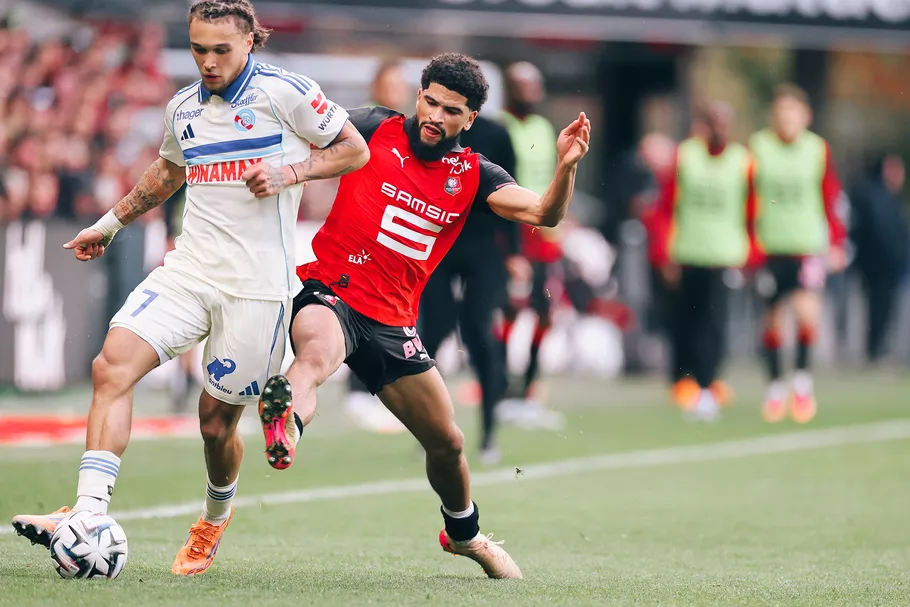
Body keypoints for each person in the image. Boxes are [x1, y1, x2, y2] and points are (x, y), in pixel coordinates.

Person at [11, 0, 370, 576]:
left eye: (220, 50)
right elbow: (168, 170)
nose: (207, 61)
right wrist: (109, 225)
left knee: (215, 423)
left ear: (251, 42)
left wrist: (289, 173)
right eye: (198, 48)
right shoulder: (184, 106)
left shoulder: (288, 93)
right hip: (190, 270)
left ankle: (212, 518)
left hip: (257, 289)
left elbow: (356, 149)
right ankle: (85, 513)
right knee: (112, 366)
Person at [255, 53, 591, 578]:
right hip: (332, 290)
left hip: (393, 323)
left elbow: (546, 214)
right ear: (419, 95)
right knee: (316, 355)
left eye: (451, 111)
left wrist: (567, 166)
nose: (435, 116)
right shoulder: (371, 126)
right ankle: (287, 423)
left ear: (470, 119)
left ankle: (465, 534)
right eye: (429, 101)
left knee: (449, 441)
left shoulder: (476, 175)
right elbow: (303, 138)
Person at [419, 112, 526, 465]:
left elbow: (513, 189)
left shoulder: (496, 134)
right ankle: (428, 429)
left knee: (481, 335)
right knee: (431, 334)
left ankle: (488, 431)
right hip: (439, 246)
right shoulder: (430, 130)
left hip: (483, 250)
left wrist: (514, 253)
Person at [653, 102, 759, 420]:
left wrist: (751, 256)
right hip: (688, 253)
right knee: (686, 324)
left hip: (725, 256)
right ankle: (684, 384)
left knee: (714, 327)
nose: (720, 130)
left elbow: (753, 212)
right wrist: (664, 253)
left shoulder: (743, 161)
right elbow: (666, 206)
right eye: (714, 124)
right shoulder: (686, 156)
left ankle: (708, 386)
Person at [750, 84, 846, 423]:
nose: (787, 117)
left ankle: (802, 384)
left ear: (806, 115)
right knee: (774, 319)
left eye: (793, 111)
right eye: (781, 111)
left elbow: (830, 197)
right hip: (770, 246)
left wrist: (835, 242)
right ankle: (776, 388)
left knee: (807, 313)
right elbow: (749, 195)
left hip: (806, 246)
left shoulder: (817, 149)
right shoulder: (759, 146)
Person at [495, 61, 565, 429]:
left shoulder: (543, 127)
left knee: (545, 311)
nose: (532, 92)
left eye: (536, 85)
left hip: (545, 238)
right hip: (514, 235)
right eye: (524, 86)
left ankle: (529, 392)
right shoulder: (498, 127)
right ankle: (504, 393)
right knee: (510, 311)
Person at [850, 153, 909, 363]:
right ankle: (875, 351)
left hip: (889, 266)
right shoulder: (876, 197)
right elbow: (881, 234)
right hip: (878, 266)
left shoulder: (889, 198)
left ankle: (878, 349)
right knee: (878, 309)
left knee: (885, 310)